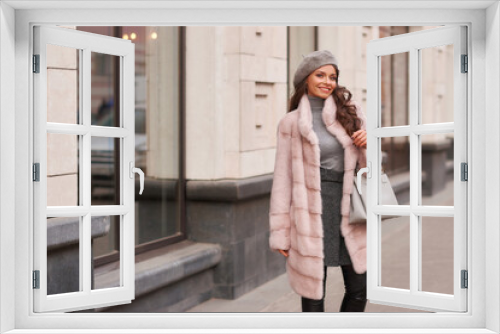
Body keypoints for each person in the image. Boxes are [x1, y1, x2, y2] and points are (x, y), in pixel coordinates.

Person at [269, 50, 368, 312]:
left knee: (359, 290)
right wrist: (282, 233)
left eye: (332, 76)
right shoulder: (290, 123)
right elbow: (282, 179)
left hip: (349, 207)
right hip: (310, 210)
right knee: (313, 293)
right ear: (306, 79)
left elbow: (370, 168)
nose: (327, 81)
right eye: (320, 75)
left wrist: (369, 145)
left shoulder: (351, 112)